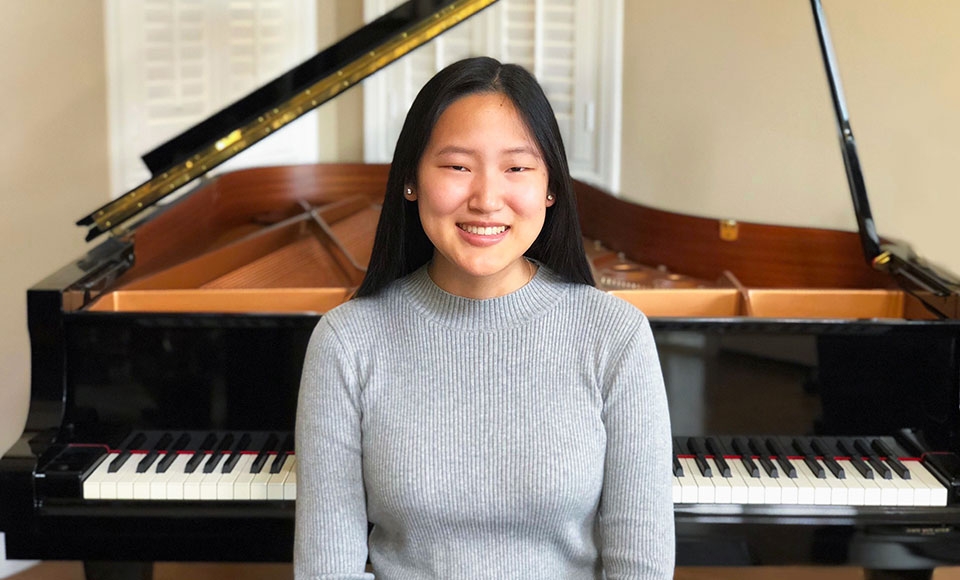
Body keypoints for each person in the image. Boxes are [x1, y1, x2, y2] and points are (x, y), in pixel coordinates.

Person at [295, 56, 674, 579]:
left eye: (516, 168)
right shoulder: (346, 342)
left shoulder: (616, 336)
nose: (487, 199)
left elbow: (641, 566)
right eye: (457, 166)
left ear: (550, 188)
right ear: (411, 180)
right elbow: (327, 570)